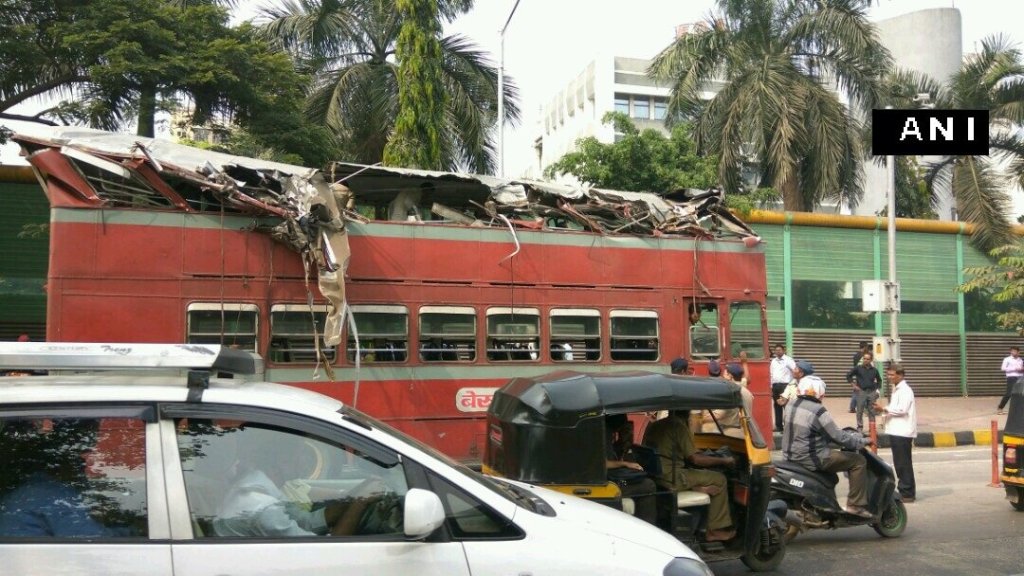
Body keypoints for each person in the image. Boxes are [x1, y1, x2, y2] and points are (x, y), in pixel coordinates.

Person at [214, 425, 386, 537]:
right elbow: (325, 552)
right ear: (281, 460)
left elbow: (307, 522)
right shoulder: (262, 506)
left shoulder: (264, 487)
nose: (305, 460)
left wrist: (353, 496)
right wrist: (360, 503)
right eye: (299, 453)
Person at [0, 419, 125, 537]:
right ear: (60, 462)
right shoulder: (52, 494)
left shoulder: (32, 489)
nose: (82, 468)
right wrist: (133, 531)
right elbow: (90, 538)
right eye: (77, 461)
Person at [781, 360, 873, 518]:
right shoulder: (818, 410)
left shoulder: (791, 405)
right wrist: (862, 441)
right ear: (819, 393)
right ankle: (855, 506)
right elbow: (838, 436)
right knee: (858, 461)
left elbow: (808, 431)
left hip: (790, 455)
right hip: (811, 458)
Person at [643, 410, 736, 542]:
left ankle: (698, 490)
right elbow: (695, 459)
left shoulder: (656, 424)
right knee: (720, 479)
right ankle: (714, 531)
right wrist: (724, 461)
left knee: (700, 475)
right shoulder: (678, 426)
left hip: (657, 475)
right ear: (687, 412)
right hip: (672, 476)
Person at [604, 414, 658, 525]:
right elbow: (603, 463)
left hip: (608, 477)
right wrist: (625, 463)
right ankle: (648, 526)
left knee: (642, 480)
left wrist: (624, 443)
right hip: (604, 483)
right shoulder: (603, 434)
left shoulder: (609, 434)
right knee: (649, 485)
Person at [874, 364, 917, 502]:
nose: (889, 377)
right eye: (889, 374)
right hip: (896, 430)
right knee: (899, 462)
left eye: (892, 375)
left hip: (902, 431)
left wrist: (884, 409)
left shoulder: (905, 390)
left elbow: (902, 410)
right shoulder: (897, 389)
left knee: (903, 463)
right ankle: (905, 489)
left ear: (900, 375)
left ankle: (907, 492)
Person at [845, 351, 882, 432]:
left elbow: (879, 380)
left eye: (867, 359)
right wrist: (853, 385)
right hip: (861, 391)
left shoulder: (874, 370)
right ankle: (860, 427)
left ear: (871, 360)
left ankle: (872, 428)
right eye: (864, 358)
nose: (865, 360)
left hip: (872, 392)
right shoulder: (858, 368)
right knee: (860, 410)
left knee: (871, 411)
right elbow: (848, 375)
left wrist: (878, 390)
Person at [770, 344, 796, 432]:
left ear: (783, 351)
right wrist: (770, 387)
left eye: (779, 350)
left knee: (787, 406)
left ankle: (788, 427)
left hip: (785, 386)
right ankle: (779, 426)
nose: (778, 351)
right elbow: (771, 374)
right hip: (775, 386)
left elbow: (795, 371)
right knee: (777, 406)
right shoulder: (773, 361)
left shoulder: (788, 360)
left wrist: (793, 384)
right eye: (776, 350)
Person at [998, 346, 1023, 415]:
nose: (1013, 352)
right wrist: (1014, 369)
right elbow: (1003, 368)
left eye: (1015, 351)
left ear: (1018, 352)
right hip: (1011, 377)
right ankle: (1000, 408)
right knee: (1008, 394)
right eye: (1012, 351)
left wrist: (1021, 370)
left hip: (1020, 377)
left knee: (1019, 394)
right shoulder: (1007, 359)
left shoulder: (1020, 360)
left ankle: (1017, 410)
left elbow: (1021, 369)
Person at [850, 341, 871, 412]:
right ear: (865, 347)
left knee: (856, 391)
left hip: (857, 374)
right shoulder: (864, 356)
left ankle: (852, 407)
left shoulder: (855, 355)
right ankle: (865, 407)